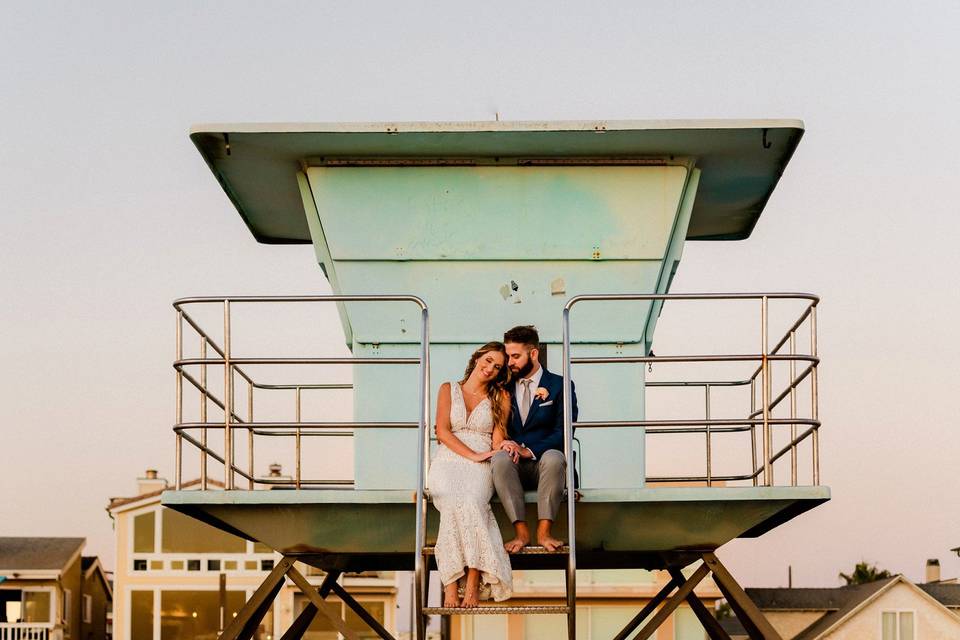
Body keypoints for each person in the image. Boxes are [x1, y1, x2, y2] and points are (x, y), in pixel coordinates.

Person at [427, 342, 514, 608]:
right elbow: (442, 431)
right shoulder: (447, 389)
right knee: (452, 501)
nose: (490, 369)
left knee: (473, 502)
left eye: (497, 367)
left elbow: (497, 439)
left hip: (482, 459)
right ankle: (450, 584)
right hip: (448, 459)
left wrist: (506, 446)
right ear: (477, 358)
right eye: (487, 361)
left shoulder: (500, 397)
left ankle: (473, 582)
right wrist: (471, 455)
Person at [493, 325, 578, 553]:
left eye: (516, 356)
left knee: (554, 456)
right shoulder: (502, 388)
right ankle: (521, 532)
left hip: (546, 467)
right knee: (500, 459)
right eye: (508, 356)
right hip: (513, 469)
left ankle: (544, 531)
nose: (510, 362)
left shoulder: (560, 386)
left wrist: (528, 450)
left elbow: (564, 432)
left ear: (533, 353)